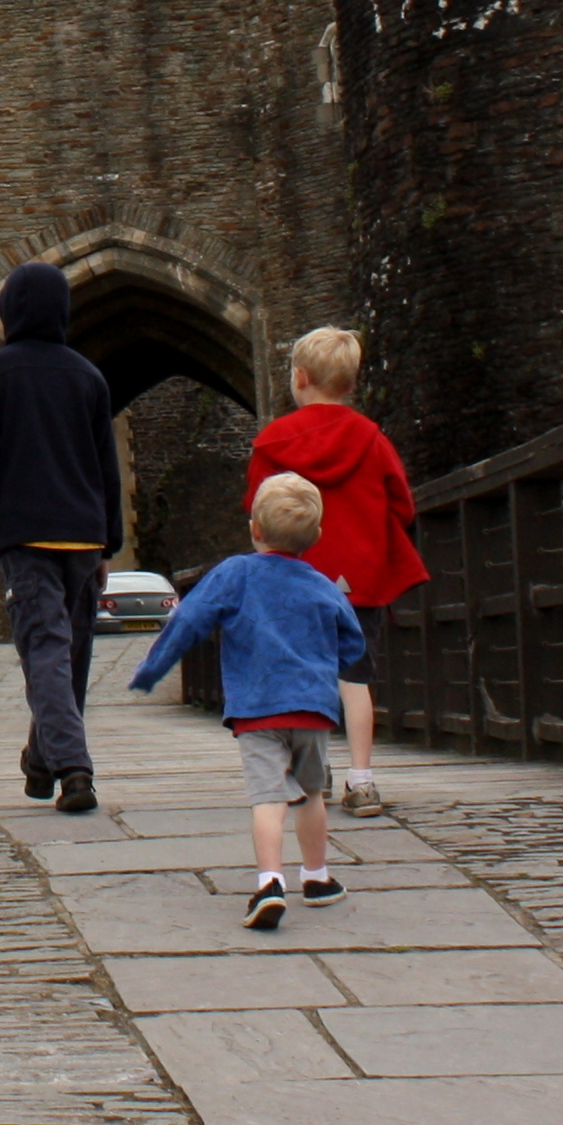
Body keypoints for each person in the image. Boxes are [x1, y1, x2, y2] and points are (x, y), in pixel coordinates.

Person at [128, 472, 372, 927]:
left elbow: (190, 619)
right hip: (312, 709)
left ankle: (269, 883)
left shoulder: (235, 573)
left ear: (255, 529)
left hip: (257, 709)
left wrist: (153, 668)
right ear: (316, 536)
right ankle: (317, 877)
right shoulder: (322, 584)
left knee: (268, 797)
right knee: (311, 793)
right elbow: (353, 643)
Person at [0, 259, 120, 816]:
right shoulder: (88, 377)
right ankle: (42, 761)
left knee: (45, 649)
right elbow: (106, 470)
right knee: (69, 655)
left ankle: (73, 769)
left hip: (25, 535)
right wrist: (108, 543)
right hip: (82, 536)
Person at [243, 326, 422, 810]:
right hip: (358, 580)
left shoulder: (272, 442)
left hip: (293, 579)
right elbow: (403, 505)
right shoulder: (371, 439)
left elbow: (257, 509)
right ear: (351, 381)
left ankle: (308, 773)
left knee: (300, 676)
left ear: (300, 377)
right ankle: (361, 780)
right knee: (354, 679)